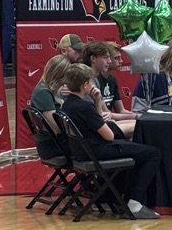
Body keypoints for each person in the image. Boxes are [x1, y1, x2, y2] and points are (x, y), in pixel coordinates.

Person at [61, 64, 161, 219]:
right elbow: (109, 136)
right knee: (152, 153)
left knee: (130, 145)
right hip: (97, 150)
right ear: (85, 85)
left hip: (82, 151)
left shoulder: (67, 104)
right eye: (91, 81)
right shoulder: (84, 107)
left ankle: (116, 195)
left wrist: (97, 101)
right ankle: (134, 202)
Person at [82, 40, 137, 135]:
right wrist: (136, 116)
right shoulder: (88, 81)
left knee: (138, 124)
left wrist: (136, 116)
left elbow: (106, 112)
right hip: (94, 130)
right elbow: (99, 116)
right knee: (138, 126)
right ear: (93, 59)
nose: (109, 61)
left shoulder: (96, 80)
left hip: (102, 124)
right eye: (106, 57)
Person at [29, 55, 72, 159]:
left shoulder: (52, 91)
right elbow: (56, 127)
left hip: (58, 142)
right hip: (53, 145)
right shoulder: (43, 93)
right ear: (60, 74)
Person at [133, 43, 172, 111]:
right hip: (145, 115)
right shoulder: (158, 75)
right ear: (168, 57)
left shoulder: (163, 73)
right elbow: (162, 106)